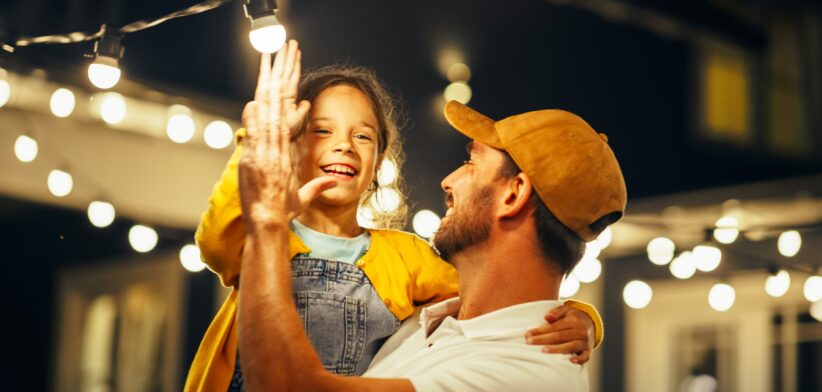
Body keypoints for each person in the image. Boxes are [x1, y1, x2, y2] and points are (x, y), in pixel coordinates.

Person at [185, 40, 604, 392]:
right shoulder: (255, 237)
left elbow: (501, 293)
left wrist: (580, 318)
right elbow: (219, 234)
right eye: (321, 130)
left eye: (362, 136)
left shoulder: (404, 259)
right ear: (292, 147)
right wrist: (258, 146)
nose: (344, 145)